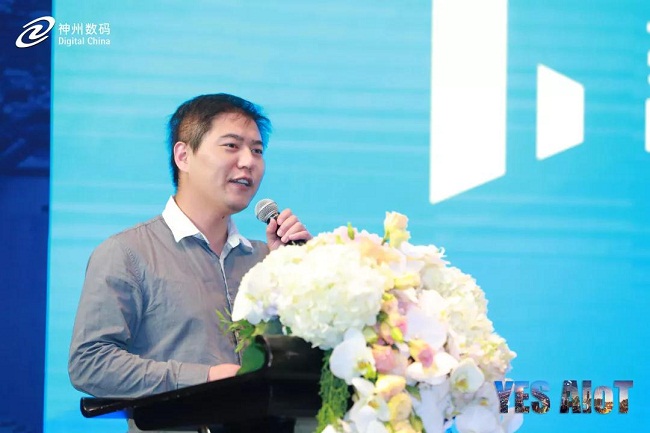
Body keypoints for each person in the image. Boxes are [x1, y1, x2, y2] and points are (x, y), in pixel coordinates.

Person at [68, 93, 311, 431]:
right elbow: (89, 363)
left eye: (257, 150)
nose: (248, 162)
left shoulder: (266, 258)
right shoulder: (127, 253)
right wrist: (205, 378)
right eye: (231, 146)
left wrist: (301, 273)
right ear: (183, 155)